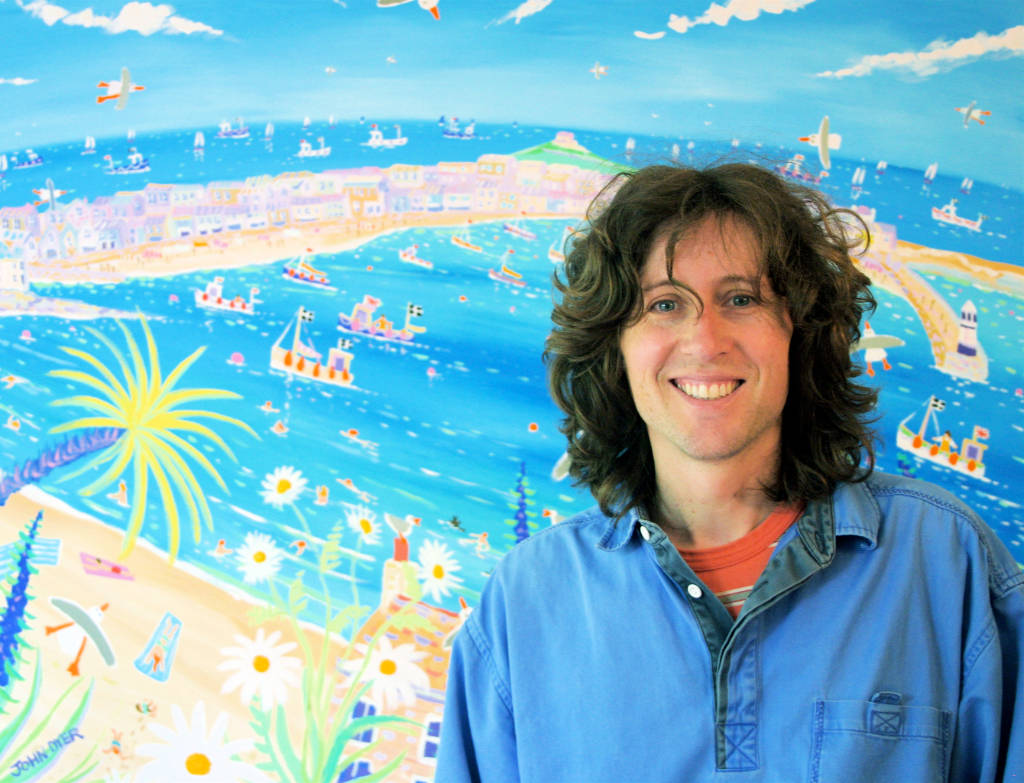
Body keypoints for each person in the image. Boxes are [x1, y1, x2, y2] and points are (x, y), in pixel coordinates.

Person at [436, 162, 1023, 781]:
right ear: (614, 347)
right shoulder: (527, 600)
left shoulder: (943, 561)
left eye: (741, 299)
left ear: (800, 333)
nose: (706, 339)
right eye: (664, 304)